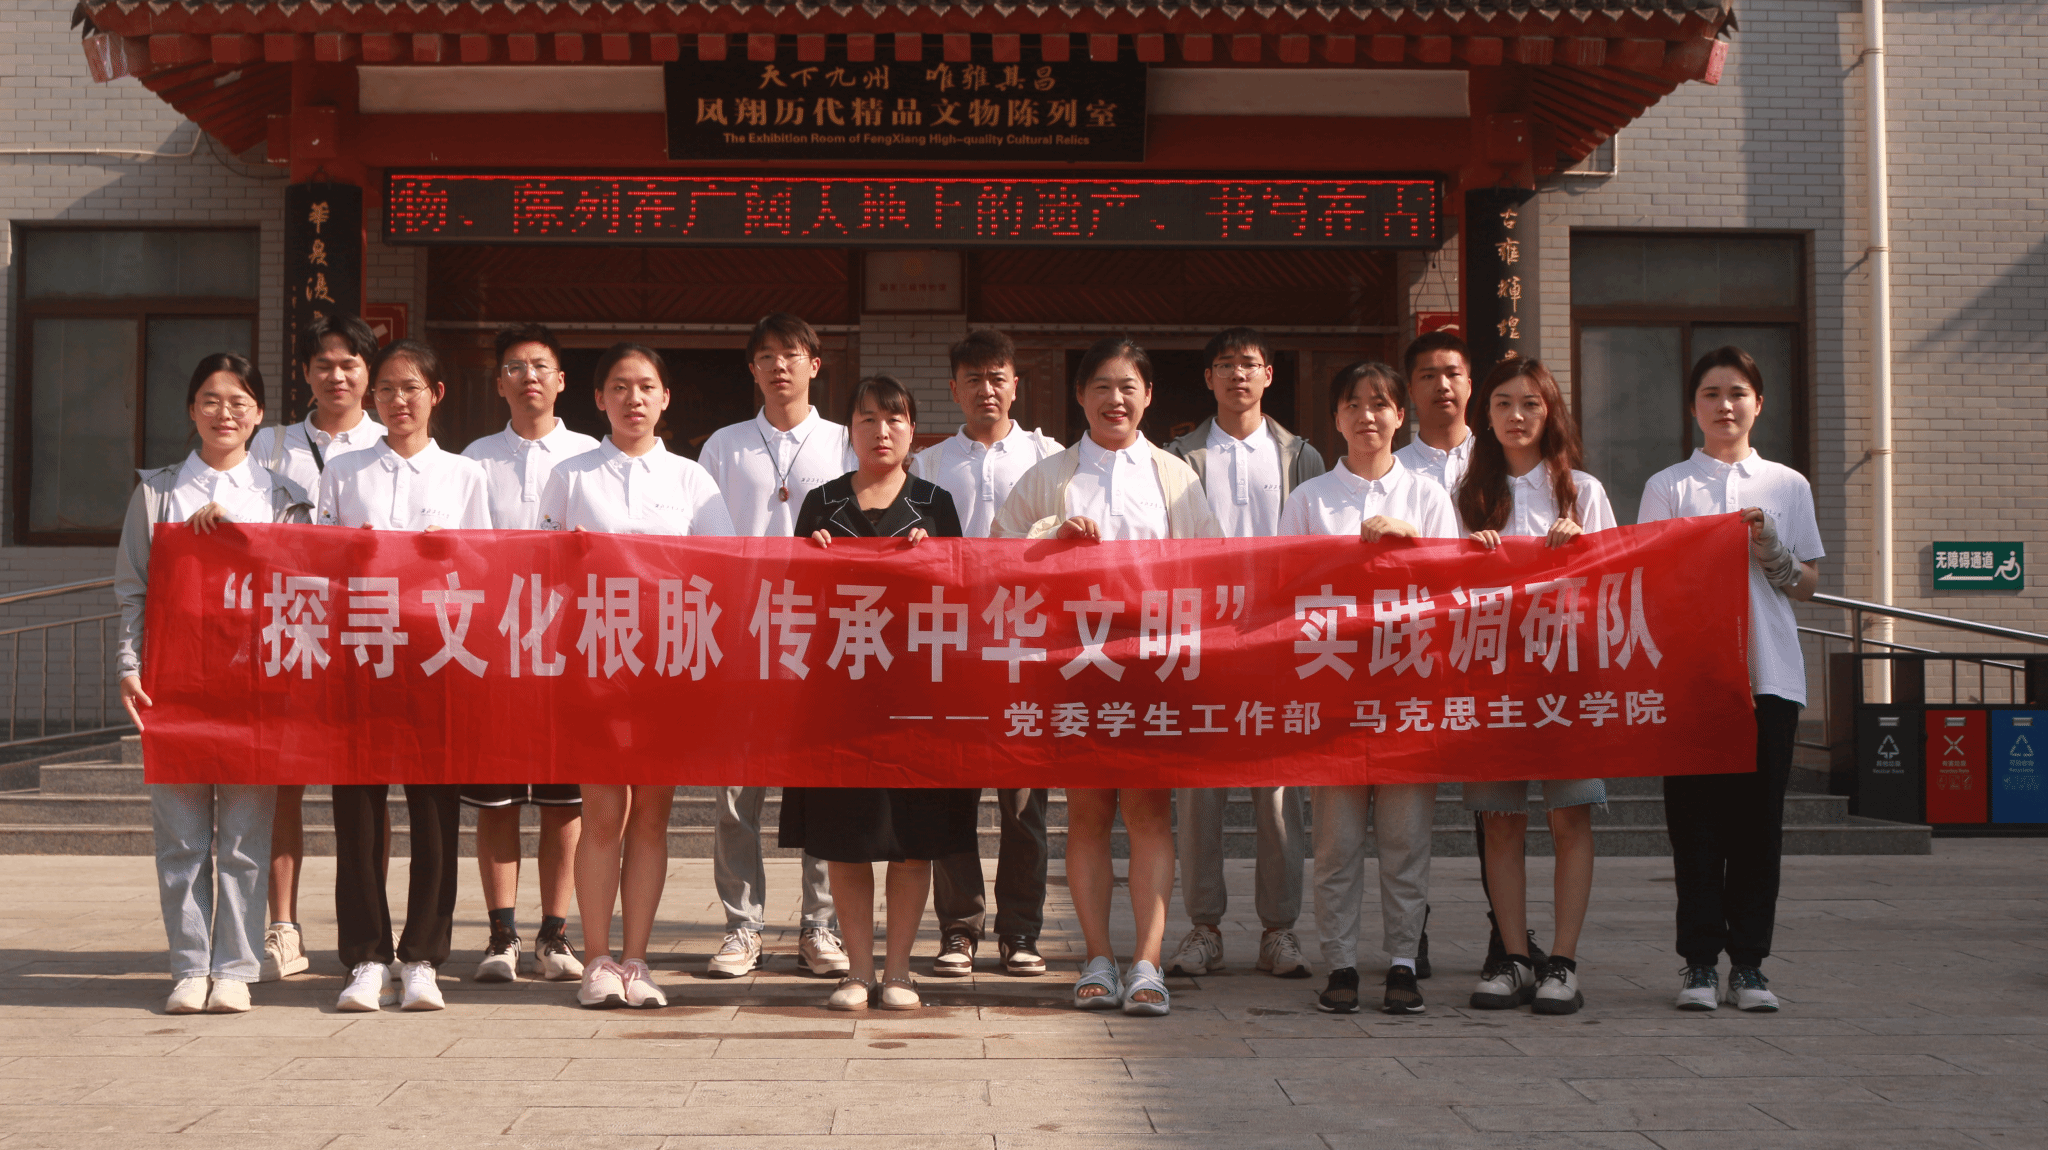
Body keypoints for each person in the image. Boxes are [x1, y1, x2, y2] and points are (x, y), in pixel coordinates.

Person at [992, 336, 1222, 1015]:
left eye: (1128, 387)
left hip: (1153, 667)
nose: (1114, 399)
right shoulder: (1048, 476)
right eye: (1101, 386)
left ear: (1148, 396)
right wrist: (1050, 543)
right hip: (1075, 667)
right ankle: (1097, 957)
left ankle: (1147, 964)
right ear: (1079, 395)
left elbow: (1208, 567)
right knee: (1087, 813)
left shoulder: (1174, 477)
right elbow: (998, 561)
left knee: (1149, 812)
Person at [538, 343, 735, 1009]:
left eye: (646, 386)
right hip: (593, 661)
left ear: (665, 397)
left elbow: (722, 567)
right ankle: (596, 959)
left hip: (668, 664)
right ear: (598, 399)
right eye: (619, 387)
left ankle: (637, 959)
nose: (633, 399)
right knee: (602, 812)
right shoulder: (570, 475)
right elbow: (541, 567)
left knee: (652, 814)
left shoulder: (691, 479)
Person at [116, 353, 310, 1014]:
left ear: (259, 413)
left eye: (238, 401)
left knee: (245, 840)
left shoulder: (282, 497)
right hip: (176, 683)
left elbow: (301, 583)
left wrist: (242, 537)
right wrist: (128, 665)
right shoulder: (158, 492)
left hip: (255, 687)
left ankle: (234, 967)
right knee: (181, 838)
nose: (224, 413)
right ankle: (188, 966)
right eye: (210, 400)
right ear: (192, 410)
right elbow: (133, 588)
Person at [784, 376, 975, 1011]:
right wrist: (811, 559)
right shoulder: (822, 503)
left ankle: (899, 971)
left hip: (915, 696)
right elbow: (793, 601)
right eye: (867, 420)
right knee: (847, 839)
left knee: (911, 839)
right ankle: (857, 972)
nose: (881, 431)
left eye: (894, 419)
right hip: (839, 697)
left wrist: (934, 559)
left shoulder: (936, 504)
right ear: (850, 432)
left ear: (913, 431)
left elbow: (959, 596)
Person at [1639, 346, 1821, 1014]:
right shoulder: (1668, 486)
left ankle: (1749, 966)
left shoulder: (1787, 485)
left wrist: (1773, 551)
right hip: (1692, 680)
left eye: (1738, 392)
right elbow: (1649, 577)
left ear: (1758, 404)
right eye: (1711, 393)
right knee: (1694, 827)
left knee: (1757, 827)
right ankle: (1697, 964)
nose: (1725, 405)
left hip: (1769, 676)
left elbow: (1807, 583)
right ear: (1693, 407)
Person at [1276, 362, 1458, 1016]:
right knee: (1337, 844)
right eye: (1353, 404)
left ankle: (1404, 961)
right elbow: (1286, 589)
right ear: (1336, 418)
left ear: (1400, 416)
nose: (1367, 416)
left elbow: (1453, 590)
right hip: (1333, 695)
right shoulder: (1308, 499)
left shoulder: (1428, 496)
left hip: (1408, 692)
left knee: (1407, 840)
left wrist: (1411, 544)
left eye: (1380, 404)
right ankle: (1342, 963)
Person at [317, 338, 492, 1012]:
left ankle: (422, 958)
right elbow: (320, 563)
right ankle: (366, 958)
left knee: (435, 812)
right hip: (362, 655)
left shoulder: (464, 475)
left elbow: (486, 567)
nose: (397, 400)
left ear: (436, 395)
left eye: (410, 387)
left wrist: (449, 557)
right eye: (386, 388)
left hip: (437, 657)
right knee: (358, 812)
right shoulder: (344, 469)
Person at [1455, 357, 1616, 1017]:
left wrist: (1584, 551)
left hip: (1567, 679)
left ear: (1550, 413)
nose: (1516, 416)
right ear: (1485, 415)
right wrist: (1470, 559)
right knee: (1500, 821)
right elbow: (1440, 593)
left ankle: (1565, 962)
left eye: (1530, 404)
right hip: (1491, 678)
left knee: (1569, 817)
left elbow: (1617, 585)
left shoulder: (1583, 491)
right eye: (1503, 404)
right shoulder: (1465, 495)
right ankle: (1516, 958)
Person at [1162, 327, 1325, 981]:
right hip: (1203, 648)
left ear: (1269, 375)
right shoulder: (1179, 457)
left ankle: (1278, 931)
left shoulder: (1301, 457)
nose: (1238, 374)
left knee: (1279, 800)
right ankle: (1203, 928)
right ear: (1207, 378)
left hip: (1277, 650)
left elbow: (1319, 555)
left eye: (1249, 364)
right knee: (1199, 798)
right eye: (1225, 365)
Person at [694, 314, 853, 980]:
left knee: (823, 788)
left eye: (791, 354)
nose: (779, 366)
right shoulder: (724, 446)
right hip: (744, 633)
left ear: (816, 364)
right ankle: (743, 926)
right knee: (737, 792)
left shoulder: (846, 440)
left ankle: (821, 925)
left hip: (827, 636)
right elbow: (702, 544)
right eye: (766, 356)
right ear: (753, 369)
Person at [912, 329, 1060, 978]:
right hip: (952, 650)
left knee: (1023, 804)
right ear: (954, 389)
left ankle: (1021, 930)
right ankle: (959, 930)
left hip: (1025, 648)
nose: (986, 390)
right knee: (953, 798)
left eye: (997, 377)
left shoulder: (1049, 457)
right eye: (973, 379)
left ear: (1015, 385)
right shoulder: (929, 465)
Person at [459, 323, 599, 985]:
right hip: (492, 648)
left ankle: (554, 934)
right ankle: (502, 935)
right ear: (499, 384)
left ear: (562, 380)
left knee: (564, 801)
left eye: (540, 366)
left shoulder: (589, 456)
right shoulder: (474, 459)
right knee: (497, 801)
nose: (529, 377)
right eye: (515, 367)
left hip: (568, 649)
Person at [247, 313, 382, 984]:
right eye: (324, 364)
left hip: (369, 637)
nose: (337, 375)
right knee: (285, 784)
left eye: (350, 363)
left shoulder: (392, 441)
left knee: (365, 791)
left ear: (368, 373)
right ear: (304, 372)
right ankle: (283, 925)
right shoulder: (268, 445)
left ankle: (372, 929)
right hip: (293, 631)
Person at [1392, 329, 1481, 980]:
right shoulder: (1390, 468)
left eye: (1452, 372)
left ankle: (1508, 936)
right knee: (1408, 813)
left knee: (1496, 806)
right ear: (1409, 391)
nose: (1441, 385)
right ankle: (1409, 933)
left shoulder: (1503, 461)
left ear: (1470, 383)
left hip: (1488, 653)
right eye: (1427, 375)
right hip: (1412, 659)